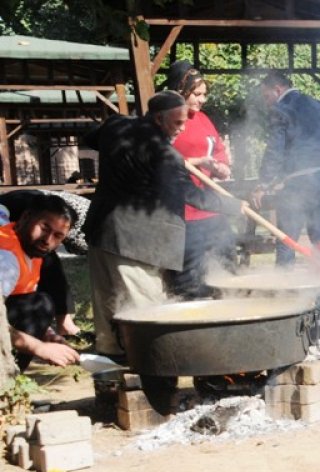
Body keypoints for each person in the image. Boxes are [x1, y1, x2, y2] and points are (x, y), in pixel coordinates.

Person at [83, 91, 247, 361]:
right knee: (143, 308)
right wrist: (233, 206)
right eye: (177, 123)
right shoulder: (164, 155)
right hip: (136, 243)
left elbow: (91, 136)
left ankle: (111, 360)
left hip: (102, 231)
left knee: (107, 303)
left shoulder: (117, 126)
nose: (182, 129)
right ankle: (149, 366)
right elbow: (190, 194)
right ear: (159, 118)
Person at [254, 70, 320, 266]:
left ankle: (284, 292)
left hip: (299, 182)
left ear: (277, 90)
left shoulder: (280, 110)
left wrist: (263, 184)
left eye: (266, 96)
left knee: (287, 239)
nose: (267, 102)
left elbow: (275, 151)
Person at [165, 61, 237, 299]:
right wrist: (200, 162)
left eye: (204, 94)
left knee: (225, 266)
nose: (202, 99)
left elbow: (217, 151)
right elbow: (164, 158)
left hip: (211, 207)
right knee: (190, 278)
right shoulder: (169, 120)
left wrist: (221, 167)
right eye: (197, 94)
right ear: (180, 90)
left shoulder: (204, 119)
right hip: (182, 211)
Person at [0, 196, 79, 370]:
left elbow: (19, 304)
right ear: (26, 217)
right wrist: (40, 348)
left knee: (38, 305)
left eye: (58, 236)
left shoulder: (32, 249)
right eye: (44, 228)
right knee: (41, 304)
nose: (48, 240)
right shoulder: (5, 259)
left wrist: (46, 334)